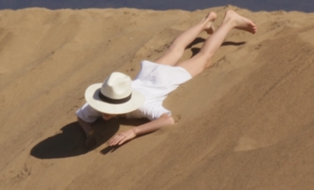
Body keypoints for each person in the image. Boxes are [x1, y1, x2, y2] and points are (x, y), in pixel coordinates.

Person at [77, 8, 257, 148]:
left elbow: (167, 120)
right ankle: (205, 22)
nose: (104, 112)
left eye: (109, 108)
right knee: (174, 50)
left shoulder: (143, 105)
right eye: (105, 107)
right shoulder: (98, 102)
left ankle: (230, 21)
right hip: (148, 74)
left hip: (166, 79)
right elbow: (81, 117)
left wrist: (134, 131)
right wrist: (89, 133)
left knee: (203, 58)